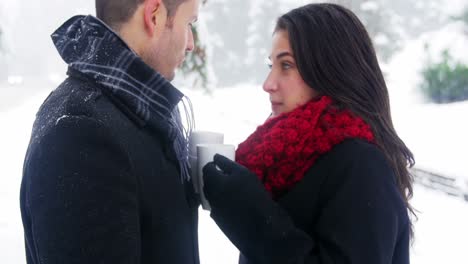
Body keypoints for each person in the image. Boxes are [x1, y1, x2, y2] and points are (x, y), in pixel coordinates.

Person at [202, 3, 415, 264]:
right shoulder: (288, 158)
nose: (268, 84)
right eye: (271, 65)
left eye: (287, 65)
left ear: (330, 70)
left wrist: (253, 218)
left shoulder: (361, 165)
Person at [19, 0, 201, 263]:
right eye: (189, 24)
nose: (191, 43)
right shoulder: (81, 133)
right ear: (155, 15)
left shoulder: (137, 110)